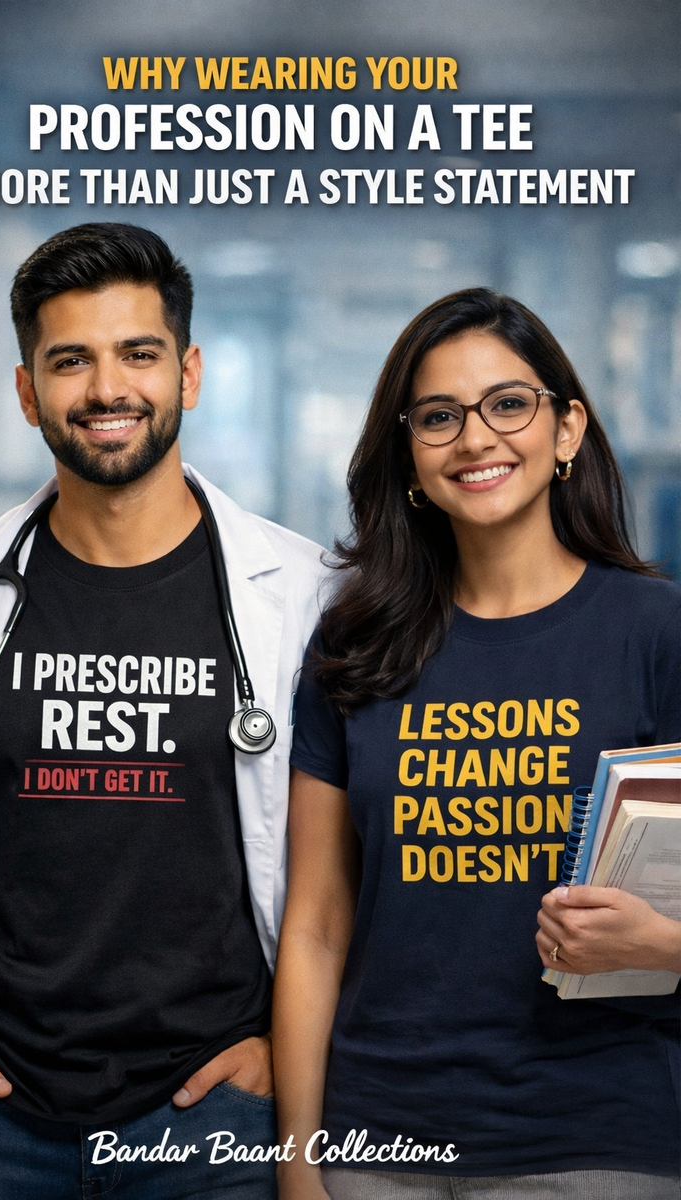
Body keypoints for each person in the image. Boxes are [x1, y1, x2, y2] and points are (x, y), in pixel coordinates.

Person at [0, 222, 326, 1200]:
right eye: (69, 360)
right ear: (27, 389)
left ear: (190, 373)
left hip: (213, 1116)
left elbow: (350, 870)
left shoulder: (302, 598)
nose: (106, 389)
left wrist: (278, 1062)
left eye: (138, 353)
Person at [273, 288, 681, 1200]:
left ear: (566, 428)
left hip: (593, 1139)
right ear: (410, 456)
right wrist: (298, 1168)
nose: (476, 439)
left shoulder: (656, 633)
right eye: (439, 417)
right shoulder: (355, 647)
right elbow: (316, 927)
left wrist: (663, 942)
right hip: (378, 1146)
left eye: (508, 404)